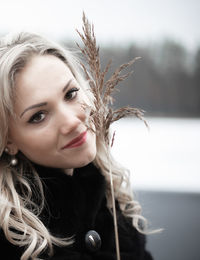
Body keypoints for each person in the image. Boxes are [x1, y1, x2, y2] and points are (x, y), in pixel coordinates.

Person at [0, 30, 153, 260]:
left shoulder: (113, 203)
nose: (72, 121)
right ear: (8, 140)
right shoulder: (12, 239)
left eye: (71, 94)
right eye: (39, 116)